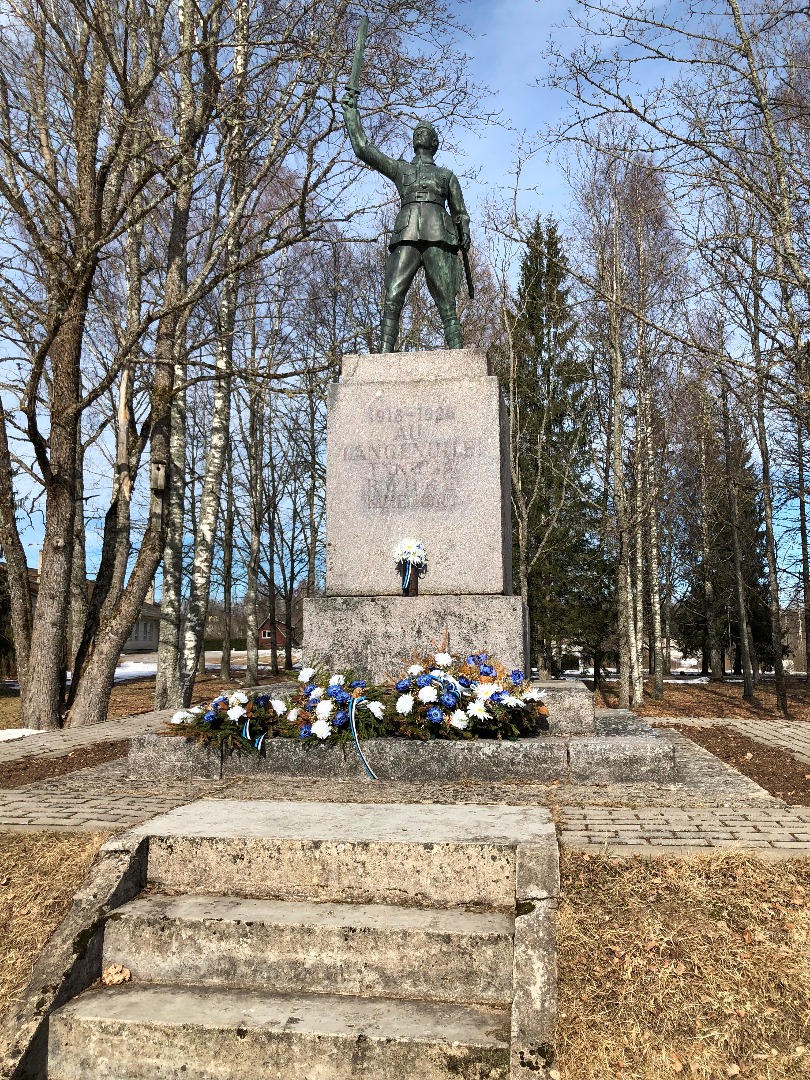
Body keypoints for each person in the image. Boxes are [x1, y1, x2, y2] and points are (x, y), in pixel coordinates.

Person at [342, 93, 471, 351]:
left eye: (426, 131)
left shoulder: (447, 176)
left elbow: (460, 211)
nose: (420, 132)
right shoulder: (401, 169)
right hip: (407, 234)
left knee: (447, 302)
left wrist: (464, 229)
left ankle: (458, 353)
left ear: (434, 142)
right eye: (417, 131)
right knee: (392, 295)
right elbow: (363, 149)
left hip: (440, 235)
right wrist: (351, 115)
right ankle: (384, 353)